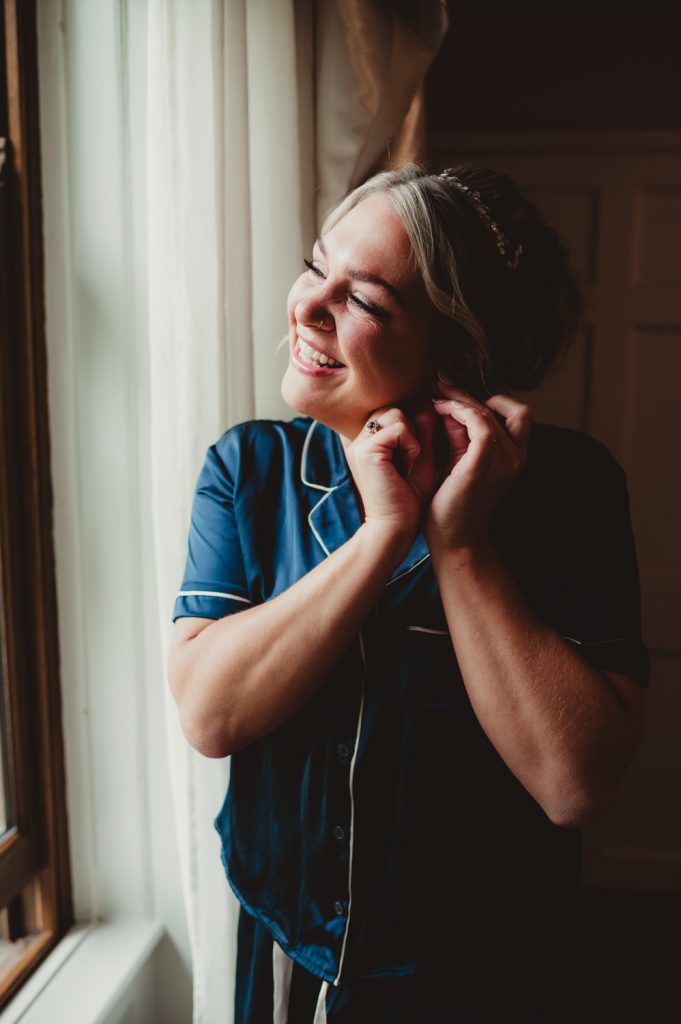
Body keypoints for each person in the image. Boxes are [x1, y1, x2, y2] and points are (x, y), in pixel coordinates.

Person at [168, 164, 649, 1023]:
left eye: (365, 301)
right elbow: (210, 715)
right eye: (318, 267)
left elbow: (574, 784)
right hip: (283, 953)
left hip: (480, 979)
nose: (309, 307)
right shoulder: (247, 471)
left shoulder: (569, 489)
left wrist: (456, 542)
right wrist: (382, 533)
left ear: (452, 356)